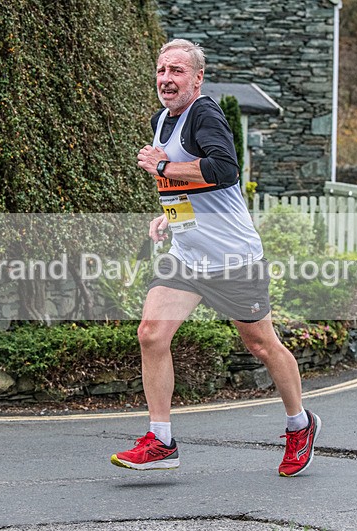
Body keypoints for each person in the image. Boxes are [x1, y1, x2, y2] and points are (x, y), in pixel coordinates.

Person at [112, 39, 320, 477]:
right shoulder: (161, 121)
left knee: (261, 344)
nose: (166, 79)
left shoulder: (204, 114)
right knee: (150, 333)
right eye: (161, 70)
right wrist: (170, 218)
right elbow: (189, 187)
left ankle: (300, 424)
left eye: (177, 72)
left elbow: (225, 170)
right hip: (186, 255)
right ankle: (162, 439)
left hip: (233, 260)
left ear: (197, 78)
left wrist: (163, 169)